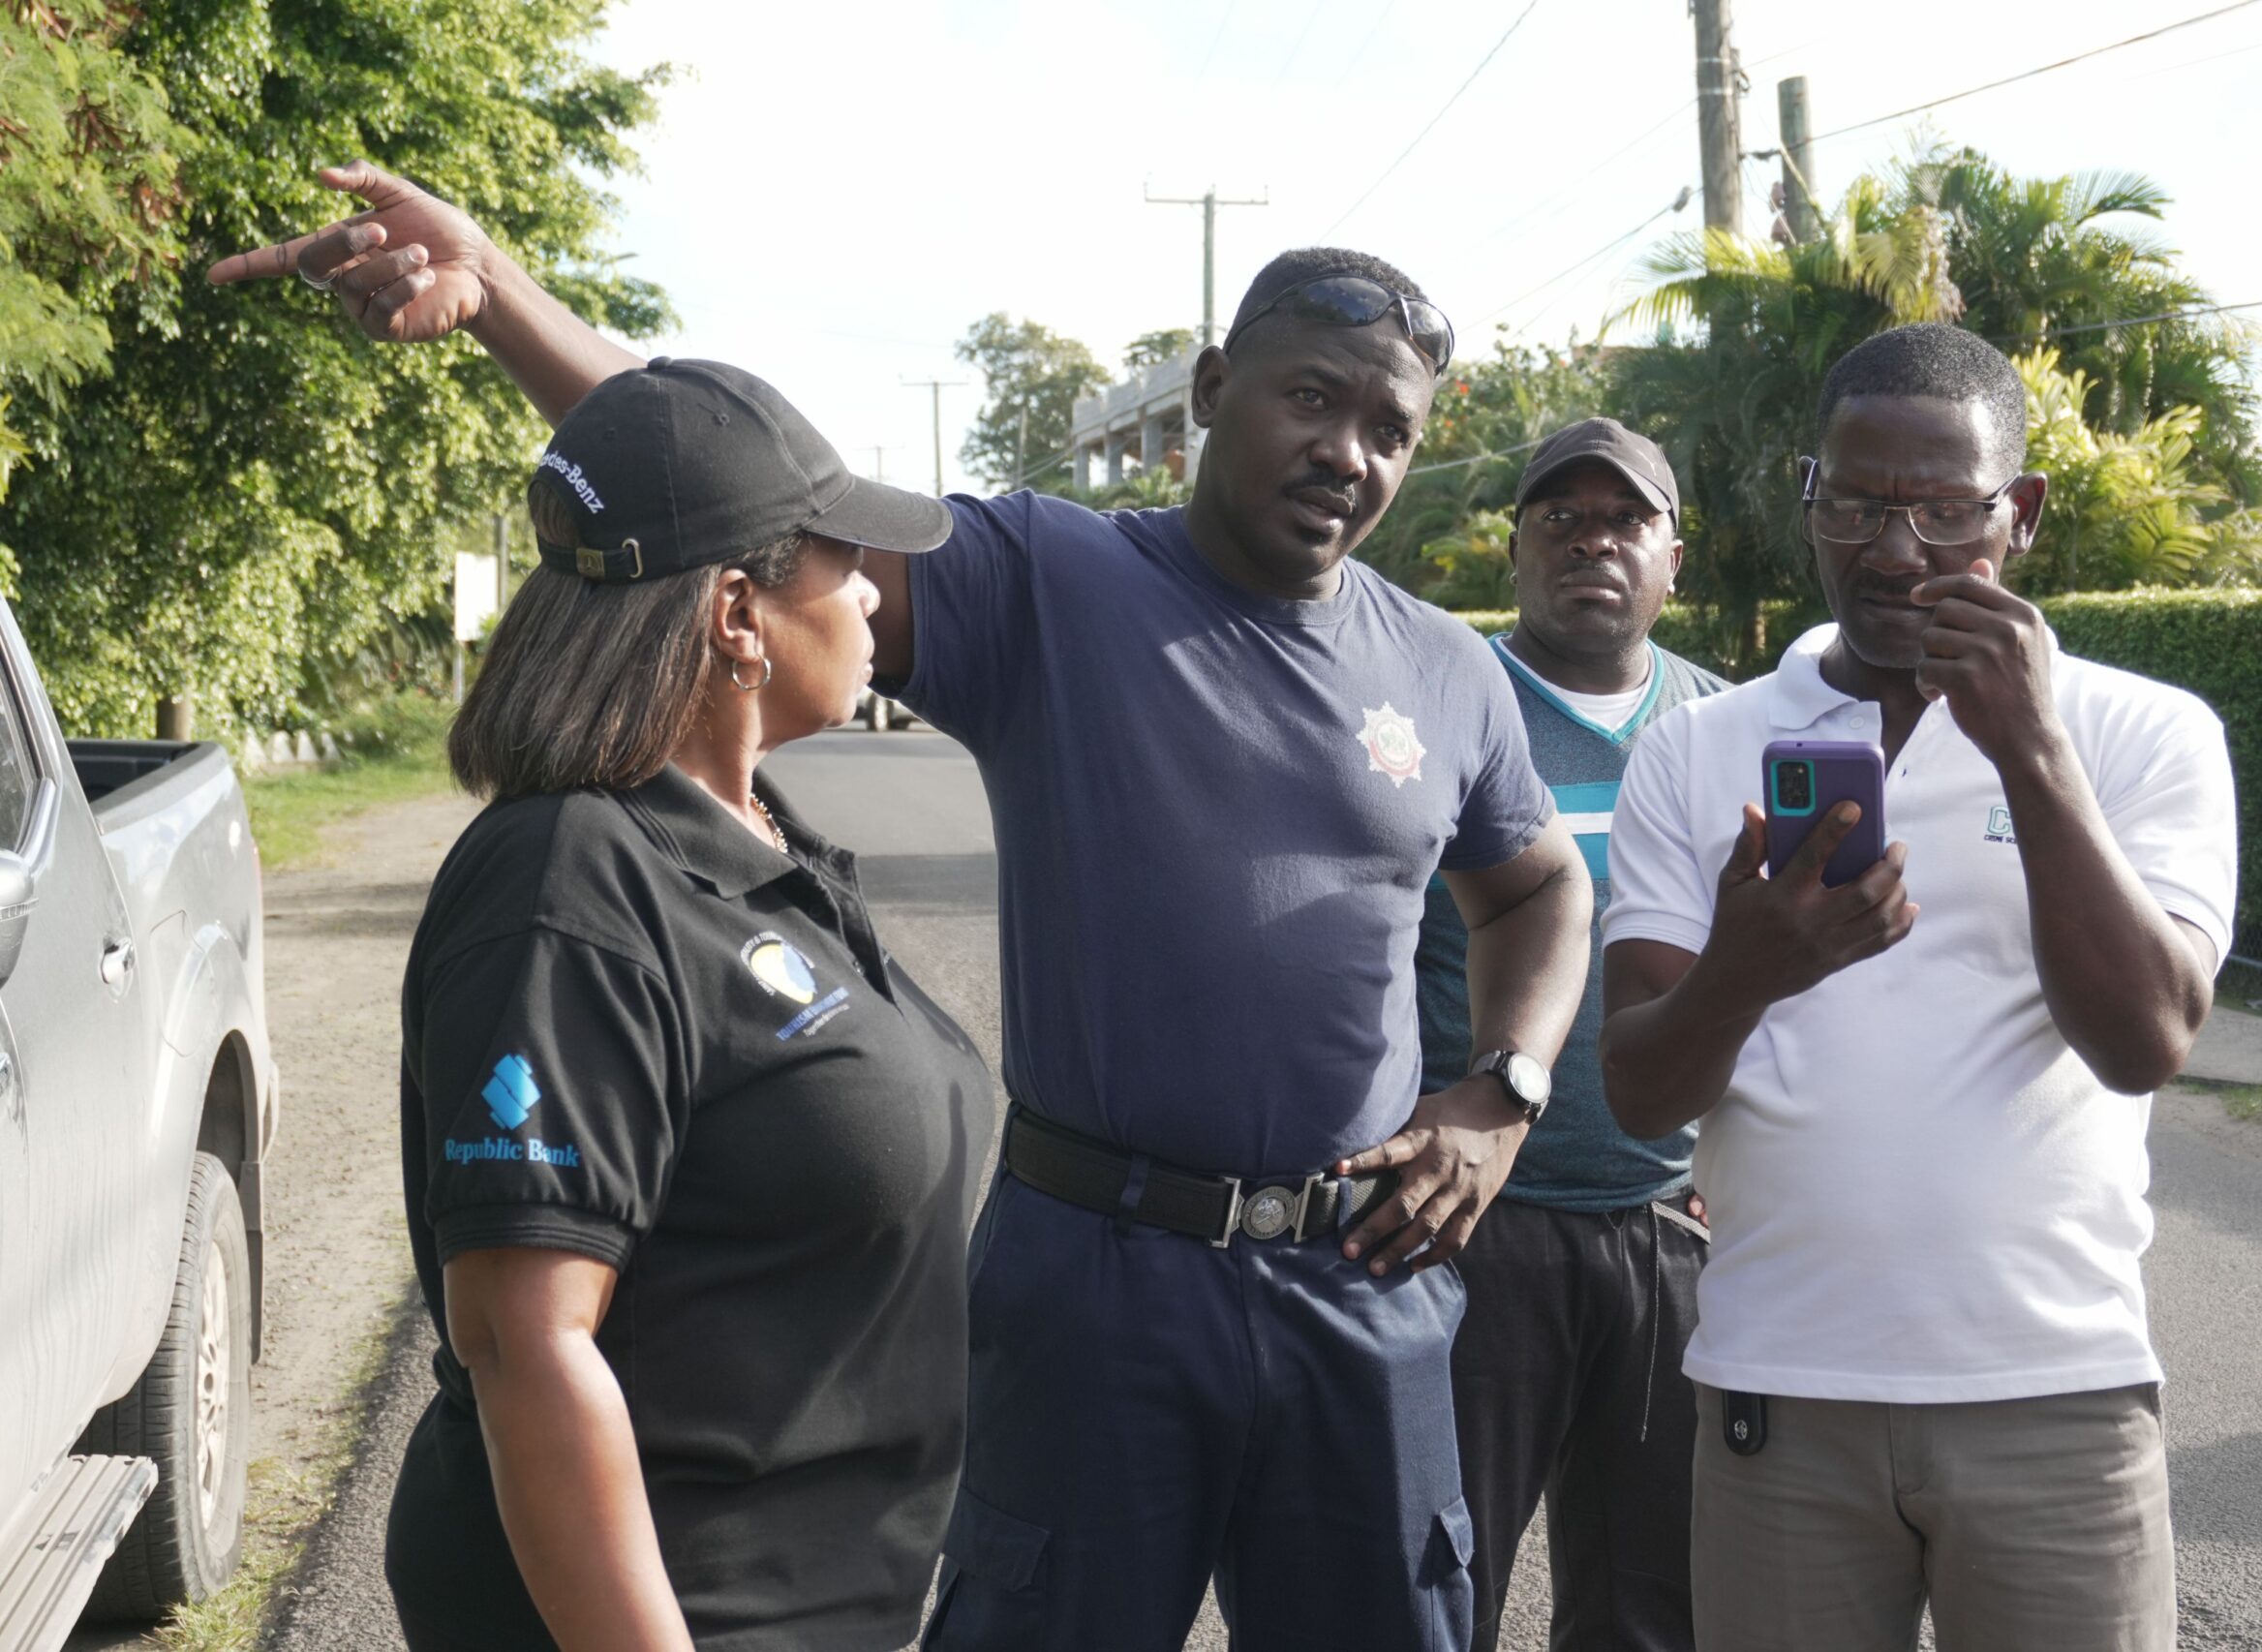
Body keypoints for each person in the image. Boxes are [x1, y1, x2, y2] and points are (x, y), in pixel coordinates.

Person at [213, 166, 1594, 1650]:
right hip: (1099, 1274)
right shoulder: (1059, 578)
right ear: (1208, 389)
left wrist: (1503, 1088)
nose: (1349, 452)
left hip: (1357, 1282)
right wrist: (500, 303)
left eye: (1392, 428)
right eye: (1312, 399)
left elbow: (1539, 885)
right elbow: (733, 490)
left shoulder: (1450, 670)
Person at [1598, 321, 2238, 1652]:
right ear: (1808, 495)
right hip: (1781, 1389)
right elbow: (1642, 1089)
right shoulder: (1696, 749)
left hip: (2059, 1391)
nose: (1898, 553)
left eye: (1948, 512)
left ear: (2024, 512)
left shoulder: (2145, 732)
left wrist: (2032, 748)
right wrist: (1748, 968)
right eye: (1862, 504)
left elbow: (2147, 1038)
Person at [382, 359, 992, 1650]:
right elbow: (525, 1344)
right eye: (841, 556)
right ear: (736, 613)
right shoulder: (570, 882)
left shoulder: (752, 844)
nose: (876, 589)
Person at [1412, 417, 1725, 1652]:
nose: (1593, 538)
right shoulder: (1444, 705)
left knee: (1652, 1601)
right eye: (1561, 515)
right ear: (1515, 550)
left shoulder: (1724, 725)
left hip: (1669, 1228)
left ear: (1672, 560)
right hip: (1468, 1224)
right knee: (1438, 1582)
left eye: (1626, 518)